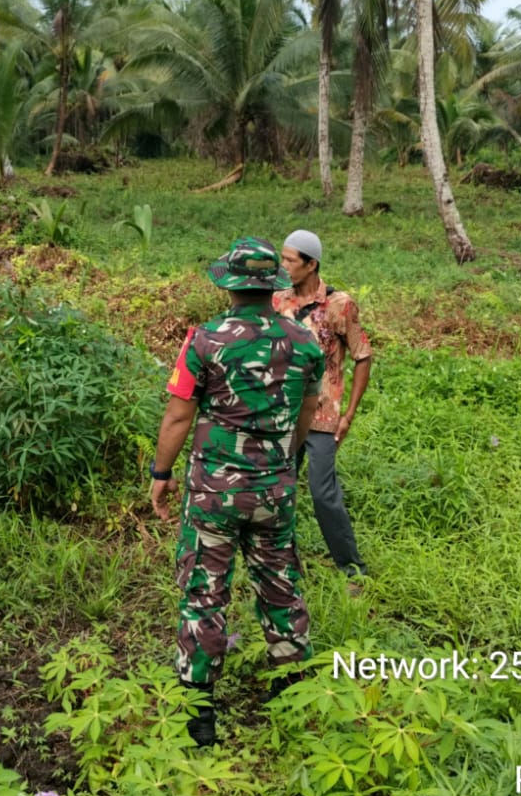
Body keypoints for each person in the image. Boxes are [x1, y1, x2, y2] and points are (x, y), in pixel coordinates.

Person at [150, 237, 324, 747]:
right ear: (273, 284)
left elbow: (179, 414)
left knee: (205, 593)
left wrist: (161, 475)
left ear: (227, 282)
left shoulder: (204, 341)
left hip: (212, 493)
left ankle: (200, 713)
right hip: (275, 488)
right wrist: (286, 465)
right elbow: (308, 415)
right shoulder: (305, 342)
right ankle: (292, 693)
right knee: (280, 583)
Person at [274, 229, 372, 590]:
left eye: (290, 260)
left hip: (322, 418)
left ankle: (353, 570)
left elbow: (363, 355)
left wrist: (348, 415)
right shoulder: (277, 302)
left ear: (311, 264)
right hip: (282, 415)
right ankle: (285, 565)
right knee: (279, 490)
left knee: (322, 491)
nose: (283, 266)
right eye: (282, 258)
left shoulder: (339, 305)